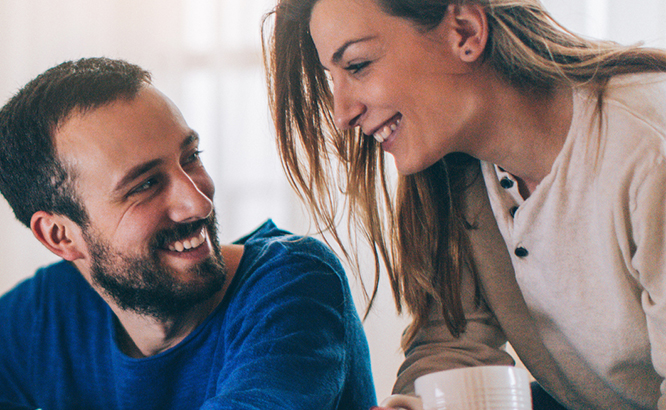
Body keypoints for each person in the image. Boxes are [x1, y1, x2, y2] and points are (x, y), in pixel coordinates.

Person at [0, 57, 375, 410]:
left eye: (191, 157)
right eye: (144, 186)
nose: (196, 200)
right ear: (62, 237)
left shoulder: (292, 283)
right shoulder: (52, 310)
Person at [264, 0, 666, 408]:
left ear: (465, 31)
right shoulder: (460, 171)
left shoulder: (650, 154)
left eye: (357, 65)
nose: (342, 113)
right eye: (332, 78)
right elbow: (453, 343)